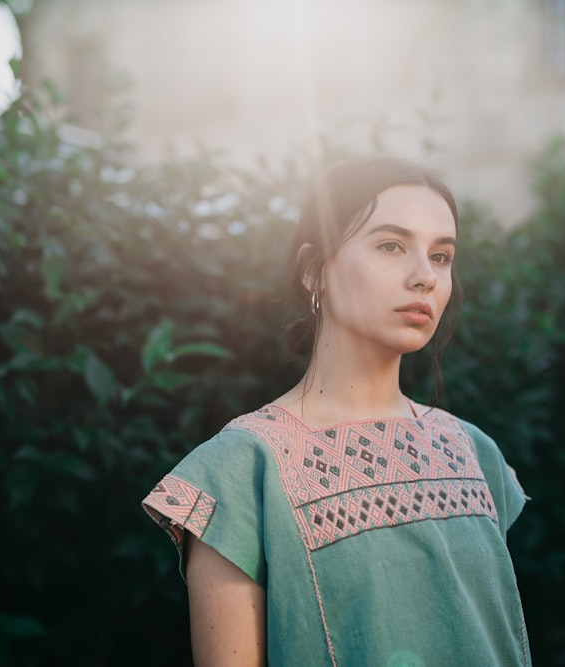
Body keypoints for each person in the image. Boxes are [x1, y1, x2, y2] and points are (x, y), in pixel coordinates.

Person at [142, 156, 532, 666]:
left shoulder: (475, 454)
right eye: (391, 245)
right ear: (313, 271)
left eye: (441, 256)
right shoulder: (238, 472)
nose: (425, 277)